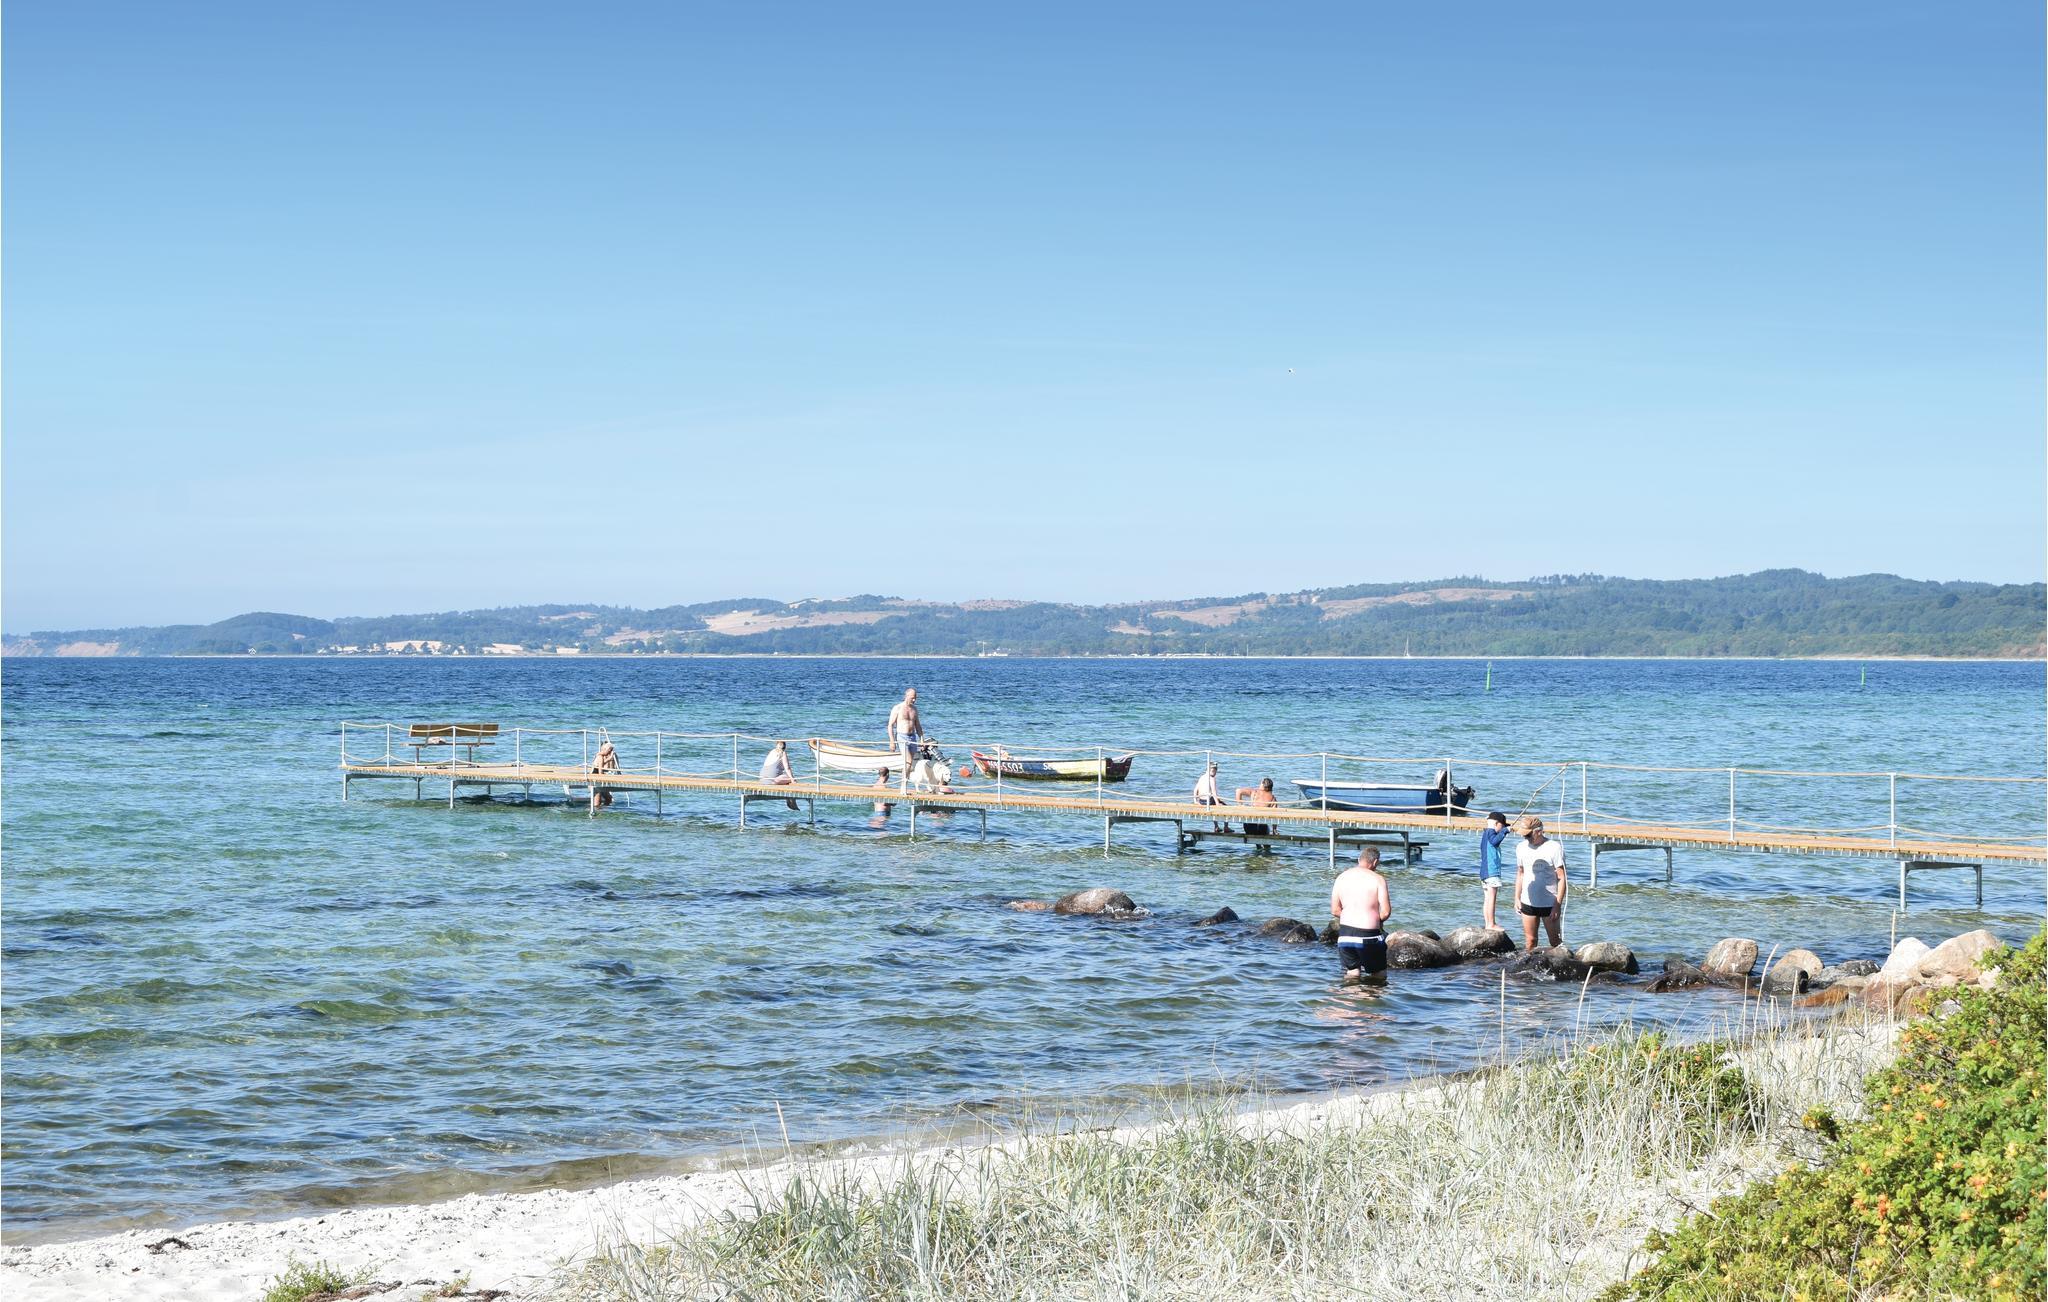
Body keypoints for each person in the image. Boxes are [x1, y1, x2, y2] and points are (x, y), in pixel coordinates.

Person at [1330, 846, 1392, 978]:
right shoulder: (1378, 879)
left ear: (1359, 859)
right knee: (1378, 973)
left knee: (1352, 972)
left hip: (1345, 935)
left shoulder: (1341, 877)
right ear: (1375, 862)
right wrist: (1377, 921)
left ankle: (1351, 991)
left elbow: (1335, 910)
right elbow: (1386, 912)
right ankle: (1372, 991)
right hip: (1368, 935)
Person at [1514, 815, 1568, 950]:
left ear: (1538, 831)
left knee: (1555, 942)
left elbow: (1562, 878)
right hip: (1528, 901)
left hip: (1549, 903)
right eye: (1523, 835)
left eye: (1528, 835)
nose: (1525, 838)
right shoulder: (1521, 847)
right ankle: (1529, 963)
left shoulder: (1554, 847)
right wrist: (1516, 898)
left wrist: (1557, 905)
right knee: (1530, 941)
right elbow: (1520, 873)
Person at [886, 688, 924, 794]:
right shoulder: (897, 708)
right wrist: (892, 741)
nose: (914, 700)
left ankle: (904, 785)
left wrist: (922, 739)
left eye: (915, 698)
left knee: (909, 764)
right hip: (902, 737)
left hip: (912, 737)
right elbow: (890, 725)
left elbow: (918, 725)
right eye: (912, 698)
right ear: (906, 696)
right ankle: (903, 787)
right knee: (908, 761)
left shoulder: (914, 709)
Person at [1478, 810, 1510, 929]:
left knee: (1487, 899)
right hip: (1491, 872)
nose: (1502, 828)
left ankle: (1488, 923)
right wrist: (1504, 832)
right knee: (1491, 898)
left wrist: (1503, 831)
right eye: (1502, 826)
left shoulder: (1486, 833)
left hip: (1484, 872)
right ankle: (1491, 923)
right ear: (1496, 824)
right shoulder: (1491, 832)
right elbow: (1495, 841)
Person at [1235, 776, 1279, 843]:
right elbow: (1275, 816)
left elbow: (1238, 791)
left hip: (1248, 827)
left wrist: (1240, 805)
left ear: (1262, 785)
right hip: (1261, 829)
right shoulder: (1272, 798)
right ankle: (1266, 848)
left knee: (1254, 827)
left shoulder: (1254, 792)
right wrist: (1274, 830)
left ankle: (1258, 846)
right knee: (1266, 832)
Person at [760, 740, 799, 810]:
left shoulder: (772, 751)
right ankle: (791, 800)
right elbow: (787, 768)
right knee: (791, 780)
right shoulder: (783, 753)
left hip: (762, 779)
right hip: (772, 781)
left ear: (776, 745)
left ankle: (789, 798)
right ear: (785, 747)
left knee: (786, 779)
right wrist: (793, 779)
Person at [1194, 762, 1229, 832]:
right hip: (1208, 801)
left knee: (1215, 804)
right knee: (1226, 807)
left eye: (1215, 770)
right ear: (1209, 770)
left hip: (1201, 801)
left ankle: (1216, 826)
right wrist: (1217, 803)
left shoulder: (1202, 777)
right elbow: (1214, 792)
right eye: (1214, 770)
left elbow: (1195, 790)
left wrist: (1195, 801)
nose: (1215, 772)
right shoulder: (1212, 778)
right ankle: (1226, 827)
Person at [591, 739, 620, 808]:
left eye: (611, 750)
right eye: (609, 750)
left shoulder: (600, 755)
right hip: (594, 781)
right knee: (598, 799)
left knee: (608, 798)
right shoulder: (600, 757)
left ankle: (603, 810)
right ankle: (596, 810)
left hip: (597, 779)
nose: (610, 752)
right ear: (604, 749)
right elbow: (600, 772)